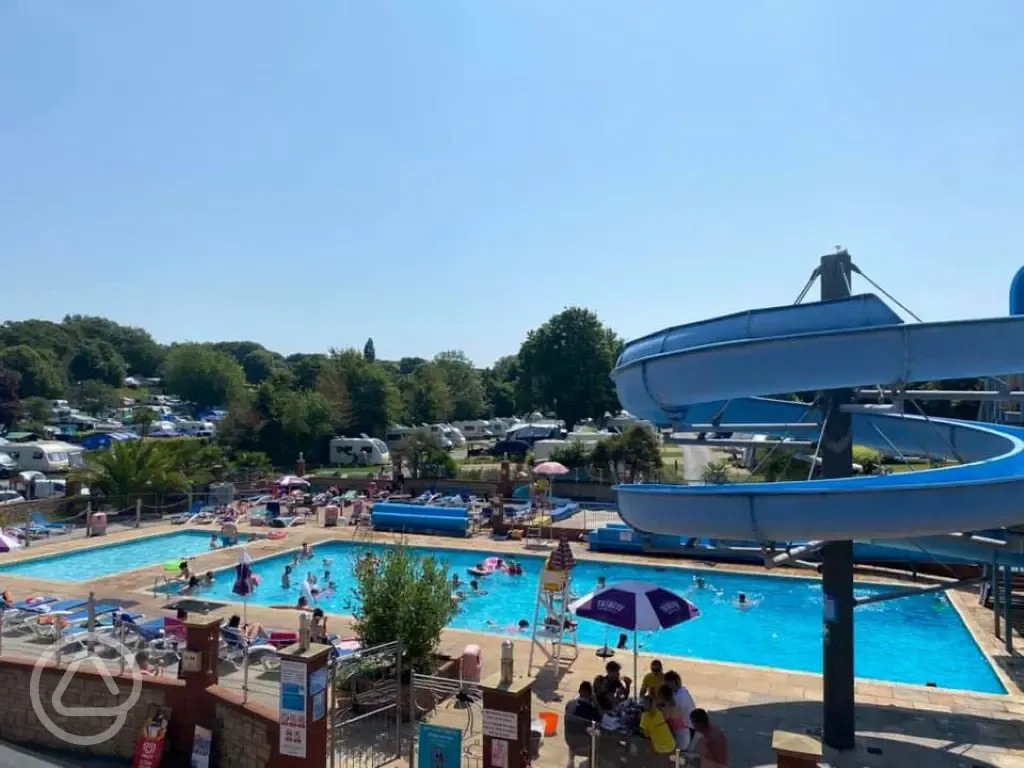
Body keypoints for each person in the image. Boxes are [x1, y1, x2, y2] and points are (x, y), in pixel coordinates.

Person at [663, 671, 696, 743]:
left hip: (688, 728)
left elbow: (673, 714)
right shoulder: (678, 691)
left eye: (667, 682)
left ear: (673, 682)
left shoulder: (681, 696)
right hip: (685, 725)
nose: (666, 684)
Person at [658, 683, 689, 751]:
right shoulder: (675, 704)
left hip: (680, 739)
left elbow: (662, 720)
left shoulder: (669, 707)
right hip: (685, 736)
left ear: (662, 696)